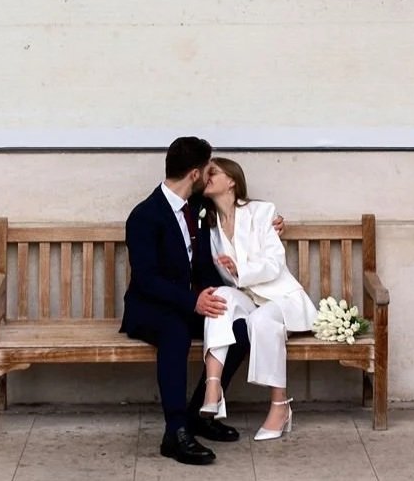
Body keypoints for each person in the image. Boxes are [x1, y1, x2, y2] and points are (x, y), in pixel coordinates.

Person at [121, 136, 247, 466]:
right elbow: (146, 279)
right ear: (194, 174)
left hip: (187, 303)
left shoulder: (197, 210)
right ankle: (174, 433)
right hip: (149, 308)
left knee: (239, 329)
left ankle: (197, 416)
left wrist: (273, 223)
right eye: (207, 170)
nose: (209, 176)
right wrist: (193, 302)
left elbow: (207, 258)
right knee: (175, 332)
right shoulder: (144, 216)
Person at [198, 156, 317, 441]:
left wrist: (242, 269)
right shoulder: (209, 225)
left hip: (280, 299)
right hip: (248, 298)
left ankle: (280, 405)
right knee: (220, 297)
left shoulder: (262, 212)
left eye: (213, 172)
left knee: (263, 320)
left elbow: (275, 263)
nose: (206, 177)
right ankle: (213, 388)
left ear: (232, 181)